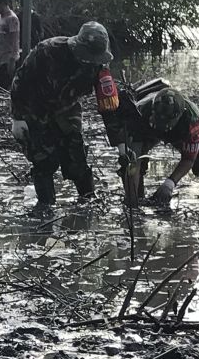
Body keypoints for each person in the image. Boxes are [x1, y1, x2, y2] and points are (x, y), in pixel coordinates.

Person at [10, 21, 119, 216]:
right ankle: (45, 208)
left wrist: (120, 144)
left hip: (68, 110)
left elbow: (108, 106)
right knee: (44, 162)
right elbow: (20, 81)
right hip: (36, 109)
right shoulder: (47, 51)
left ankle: (88, 203)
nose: (89, 61)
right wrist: (17, 118)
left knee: (76, 160)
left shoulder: (100, 66)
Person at [105, 85, 199, 207]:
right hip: (147, 127)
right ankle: (136, 197)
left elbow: (188, 159)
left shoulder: (191, 122)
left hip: (179, 131)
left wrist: (170, 183)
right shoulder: (139, 114)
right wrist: (132, 201)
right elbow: (134, 160)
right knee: (132, 166)